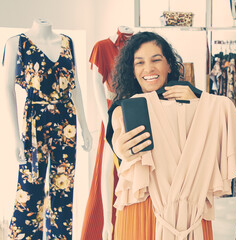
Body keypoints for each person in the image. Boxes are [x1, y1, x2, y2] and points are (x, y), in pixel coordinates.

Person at [101, 31, 214, 240]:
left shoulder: (192, 95)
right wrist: (120, 148)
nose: (149, 69)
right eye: (140, 63)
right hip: (141, 207)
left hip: (187, 209)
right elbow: (114, 144)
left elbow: (221, 127)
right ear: (132, 70)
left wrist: (199, 100)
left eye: (156, 60)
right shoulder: (124, 107)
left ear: (169, 65)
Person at [3, 18, 92, 239]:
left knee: (63, 187)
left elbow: (75, 86)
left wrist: (85, 127)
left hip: (66, 121)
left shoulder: (67, 42)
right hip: (35, 120)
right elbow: (6, 90)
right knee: (30, 187)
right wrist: (16, 139)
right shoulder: (17, 43)